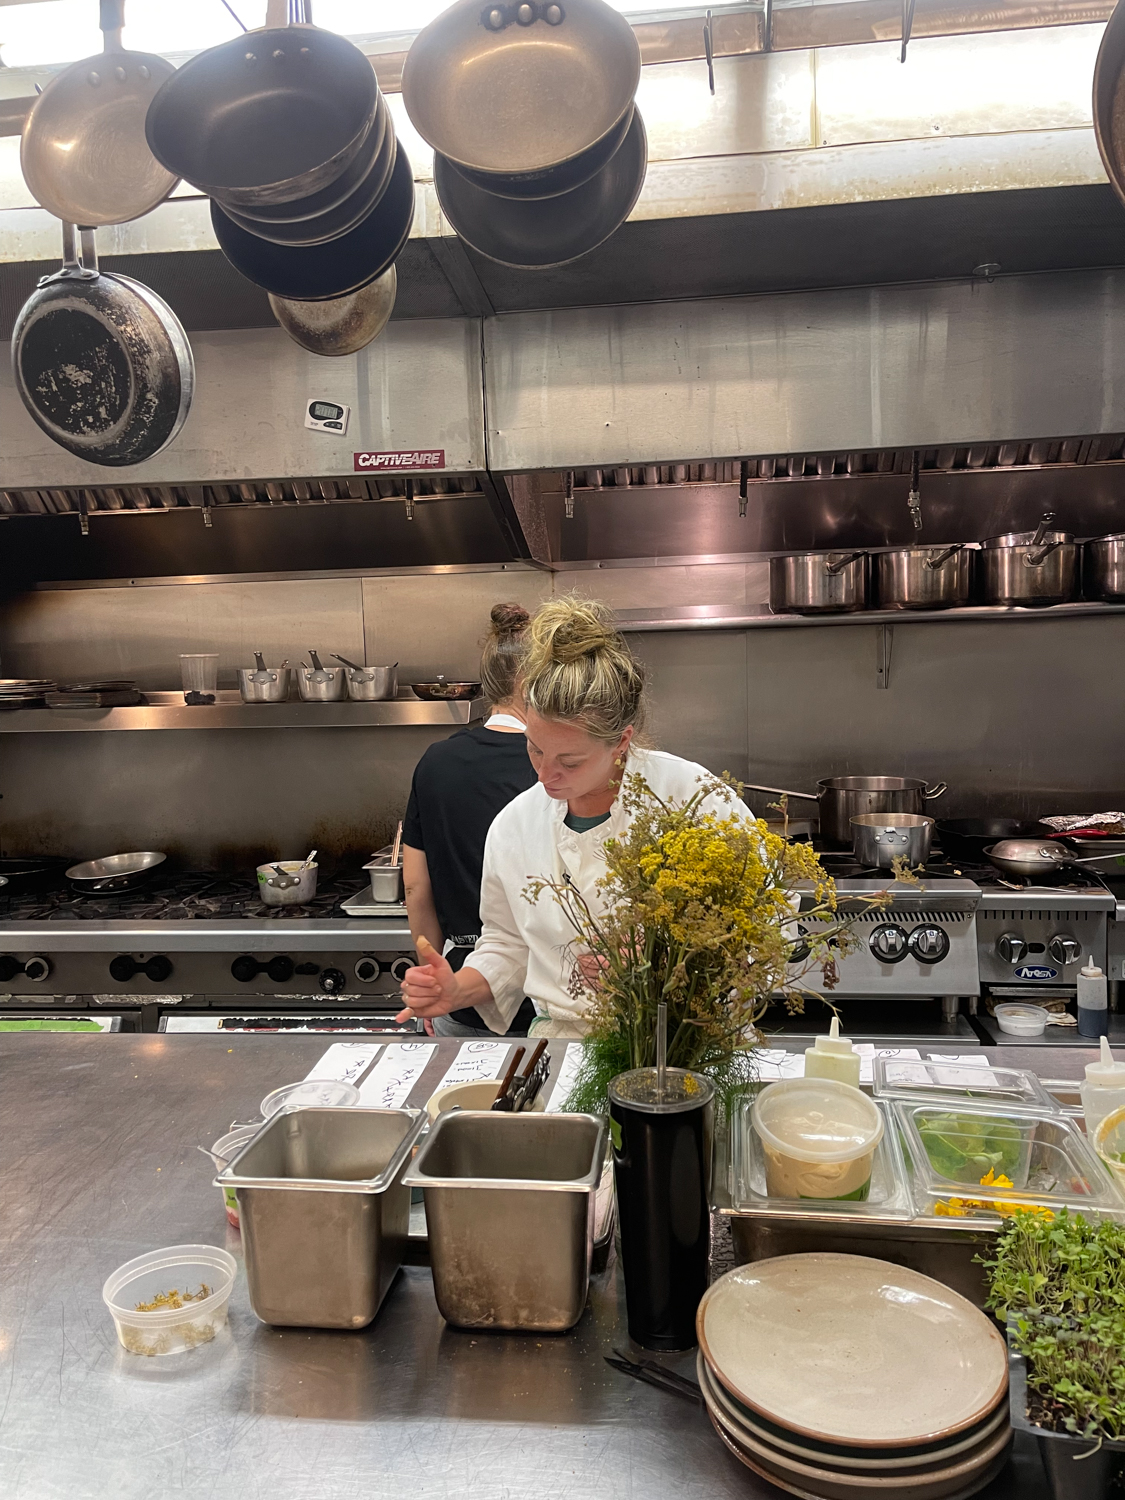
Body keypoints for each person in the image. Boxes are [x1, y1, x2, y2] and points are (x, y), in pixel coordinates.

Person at [398, 595, 752, 1039]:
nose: (546, 774)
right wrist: (457, 989)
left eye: (570, 760)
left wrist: (667, 956)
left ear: (621, 741)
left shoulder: (693, 800)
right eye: (536, 748)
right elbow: (507, 946)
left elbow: (761, 921)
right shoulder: (516, 825)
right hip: (564, 1048)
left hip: (681, 1040)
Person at [401, 602, 538, 1038]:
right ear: (534, 681)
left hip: (460, 987)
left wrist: (433, 979)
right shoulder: (562, 764)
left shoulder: (436, 761)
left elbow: (415, 887)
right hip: (549, 992)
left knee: (461, 1103)